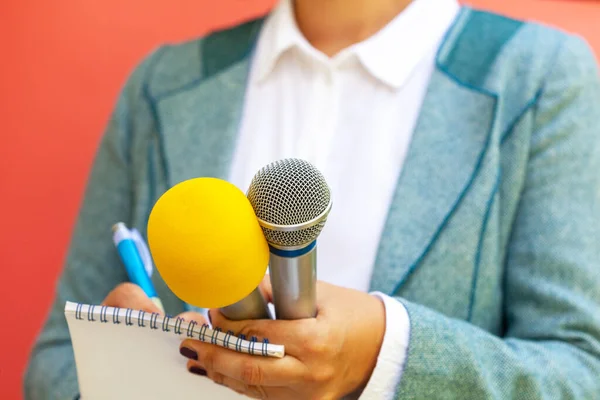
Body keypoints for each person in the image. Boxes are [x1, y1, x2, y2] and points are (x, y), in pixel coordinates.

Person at [25, 0, 600, 398]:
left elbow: (581, 374)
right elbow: (54, 360)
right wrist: (123, 373)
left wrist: (386, 353)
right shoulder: (162, 84)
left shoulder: (542, 78)